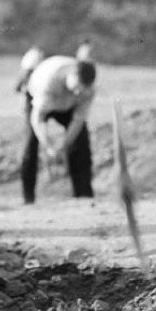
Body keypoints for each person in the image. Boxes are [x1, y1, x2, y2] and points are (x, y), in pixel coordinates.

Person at [21, 55, 97, 204]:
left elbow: (78, 120)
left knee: (80, 141)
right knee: (30, 144)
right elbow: (38, 119)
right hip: (39, 102)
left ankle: (83, 196)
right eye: (77, 88)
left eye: (82, 91)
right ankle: (28, 197)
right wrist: (48, 146)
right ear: (72, 75)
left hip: (68, 107)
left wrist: (63, 146)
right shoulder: (49, 80)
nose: (78, 93)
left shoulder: (88, 90)